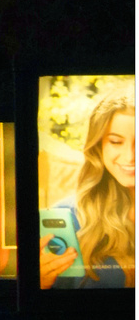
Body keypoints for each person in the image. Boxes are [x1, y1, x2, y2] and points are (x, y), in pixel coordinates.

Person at [41, 87, 135, 289]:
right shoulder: (66, 217)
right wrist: (40, 284)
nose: (130, 157)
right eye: (116, 141)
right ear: (98, 146)